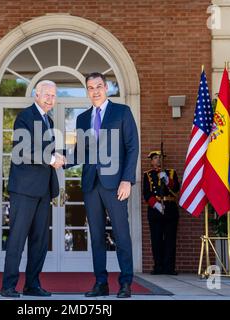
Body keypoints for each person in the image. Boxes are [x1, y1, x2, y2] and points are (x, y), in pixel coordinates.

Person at [66, 72, 139, 298]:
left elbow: (132, 147)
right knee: (96, 236)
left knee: (121, 234)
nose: (95, 91)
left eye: (98, 86)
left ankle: (125, 283)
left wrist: (127, 180)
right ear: (87, 91)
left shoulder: (122, 112)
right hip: (91, 184)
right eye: (90, 87)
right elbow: (79, 153)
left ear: (106, 88)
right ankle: (101, 283)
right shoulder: (81, 118)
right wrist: (57, 159)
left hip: (116, 183)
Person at [0, 80, 64, 298]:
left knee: (39, 241)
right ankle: (8, 286)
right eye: (46, 94)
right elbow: (22, 150)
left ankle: (32, 285)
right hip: (25, 189)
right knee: (17, 239)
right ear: (36, 95)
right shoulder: (25, 117)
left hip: (43, 189)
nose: (50, 99)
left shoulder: (49, 120)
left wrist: (59, 157)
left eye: (54, 96)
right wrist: (52, 157)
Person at [143, 150, 180, 275]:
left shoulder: (171, 173)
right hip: (155, 210)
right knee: (156, 239)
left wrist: (167, 180)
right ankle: (158, 266)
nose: (158, 160)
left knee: (170, 240)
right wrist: (156, 205)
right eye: (155, 158)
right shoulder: (147, 175)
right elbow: (146, 194)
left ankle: (169, 267)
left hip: (170, 208)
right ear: (151, 161)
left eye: (160, 157)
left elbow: (176, 189)